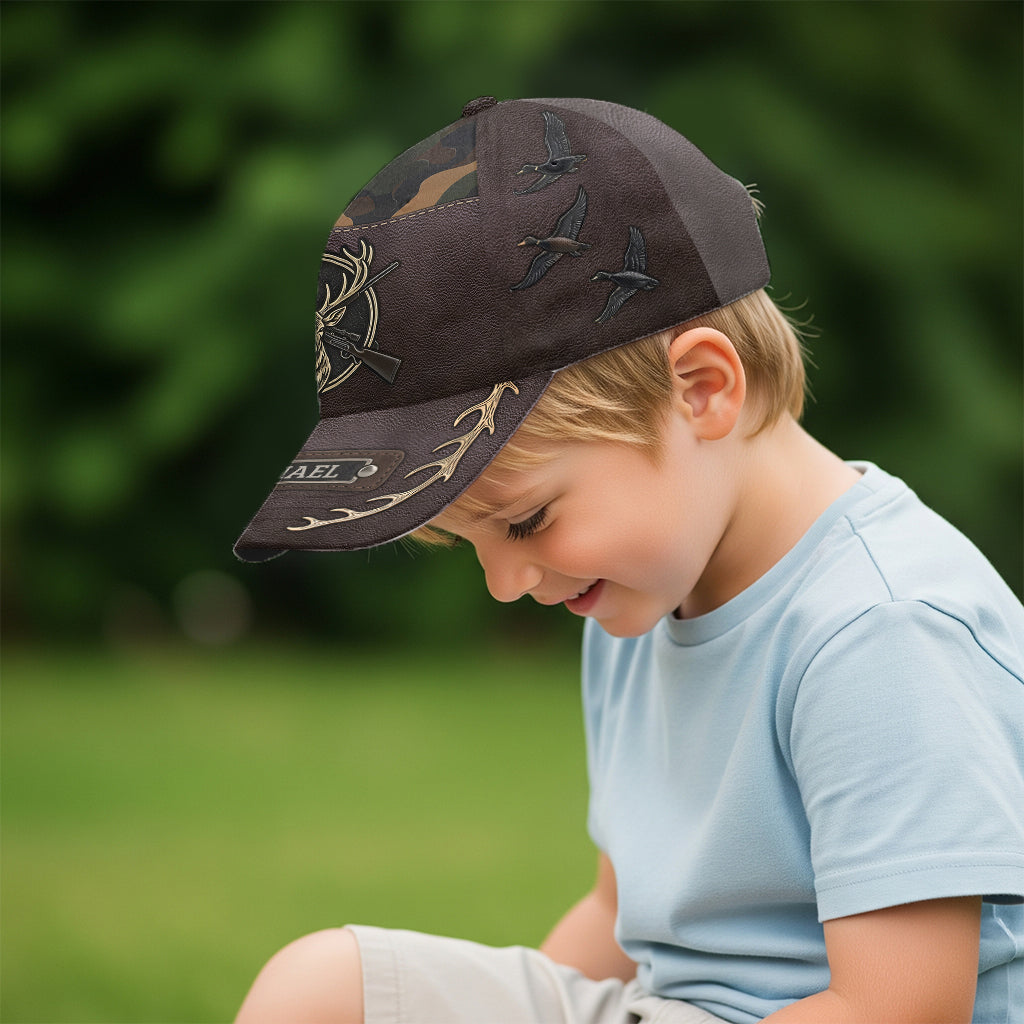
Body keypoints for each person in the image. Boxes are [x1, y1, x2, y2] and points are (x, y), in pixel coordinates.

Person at [232, 97, 1024, 1023]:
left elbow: (899, 1008)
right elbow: (620, 918)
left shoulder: (879, 629)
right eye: (471, 543)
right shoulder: (635, 595)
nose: (505, 584)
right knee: (322, 990)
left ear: (701, 390)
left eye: (524, 522)